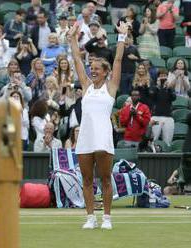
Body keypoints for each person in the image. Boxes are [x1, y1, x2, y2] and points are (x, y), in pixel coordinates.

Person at [70, 21, 128, 229]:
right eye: (91, 68)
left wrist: (121, 36)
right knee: (86, 180)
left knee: (105, 179)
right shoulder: (85, 86)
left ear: (105, 72)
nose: (92, 71)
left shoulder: (111, 88)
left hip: (103, 137)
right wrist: (71, 38)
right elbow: (77, 58)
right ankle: (90, 218)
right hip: (85, 137)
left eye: (96, 69)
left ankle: (107, 218)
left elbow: (119, 59)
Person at [150, 68, 176, 146]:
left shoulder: (169, 89)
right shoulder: (154, 88)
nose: (162, 78)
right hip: (156, 117)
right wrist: (157, 87)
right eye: (161, 76)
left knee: (167, 141)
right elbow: (151, 96)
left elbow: (173, 98)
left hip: (168, 117)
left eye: (164, 76)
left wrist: (168, 88)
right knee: (153, 139)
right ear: (158, 77)